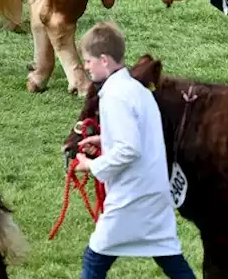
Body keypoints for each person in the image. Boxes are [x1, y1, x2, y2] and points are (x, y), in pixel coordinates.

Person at [73, 21, 196, 279]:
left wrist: (91, 165)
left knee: (94, 259)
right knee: (170, 258)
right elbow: (138, 136)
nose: (85, 67)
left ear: (104, 60)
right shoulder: (135, 89)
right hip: (152, 193)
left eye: (87, 61)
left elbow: (128, 150)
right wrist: (105, 139)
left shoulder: (115, 95)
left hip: (132, 197)